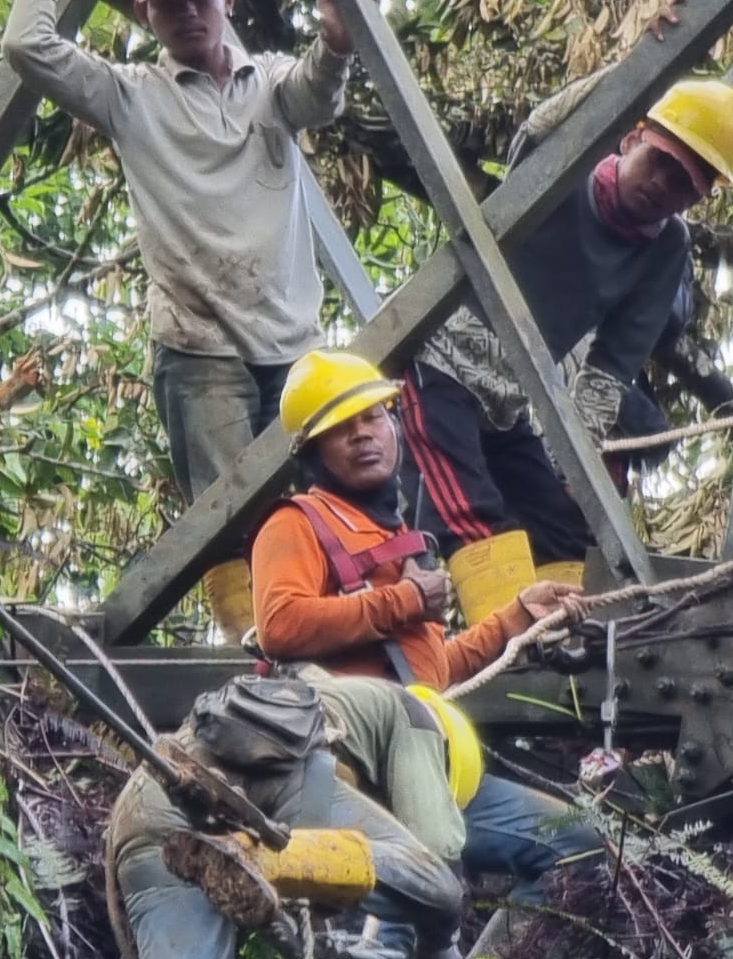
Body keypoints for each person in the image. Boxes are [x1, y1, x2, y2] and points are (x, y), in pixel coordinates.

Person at [3, 0, 361, 640]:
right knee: (230, 517)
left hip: (292, 343)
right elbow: (28, 48)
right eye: (169, 2)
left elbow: (316, 96)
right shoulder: (132, 97)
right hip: (202, 350)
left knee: (322, 504)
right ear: (146, 11)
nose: (188, 13)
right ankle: (257, 656)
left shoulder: (270, 84)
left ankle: (330, 637)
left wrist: (337, 40)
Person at [251, 350, 600, 906]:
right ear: (314, 450)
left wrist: (516, 618)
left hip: (435, 769)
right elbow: (280, 625)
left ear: (394, 424)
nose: (364, 436)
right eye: (343, 428)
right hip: (357, 777)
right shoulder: (296, 522)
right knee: (399, 921)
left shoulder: (398, 530)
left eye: (373, 418)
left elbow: (430, 673)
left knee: (582, 844)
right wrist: (406, 599)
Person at [396, 79, 733, 612]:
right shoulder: (567, 168)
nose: (661, 185)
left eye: (683, 184)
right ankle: (503, 633)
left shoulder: (667, 249)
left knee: (568, 532)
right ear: (632, 139)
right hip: (438, 364)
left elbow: (609, 372)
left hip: (511, 399)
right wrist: (637, 65)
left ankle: (560, 645)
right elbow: (541, 124)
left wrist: (571, 472)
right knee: (471, 511)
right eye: (659, 162)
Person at [107, 675, 465, 959]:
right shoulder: (418, 720)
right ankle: (263, 857)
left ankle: (250, 857)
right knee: (435, 885)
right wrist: (439, 951)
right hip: (278, 784)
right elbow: (438, 866)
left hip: (150, 799)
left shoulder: (331, 691)